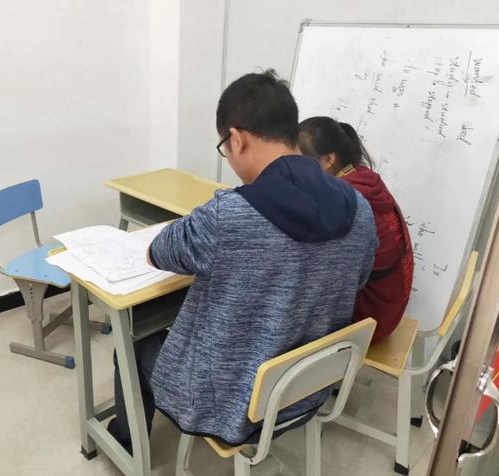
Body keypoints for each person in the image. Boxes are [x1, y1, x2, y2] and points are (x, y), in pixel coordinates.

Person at [108, 70, 378, 450]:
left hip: (229, 405)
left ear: (236, 139)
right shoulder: (360, 208)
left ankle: (125, 444)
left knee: (131, 346)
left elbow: (158, 251)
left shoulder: (228, 215)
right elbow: (359, 277)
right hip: (307, 389)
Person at [298, 117, 414, 343]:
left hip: (369, 322)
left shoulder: (344, 200)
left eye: (300, 163)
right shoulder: (364, 179)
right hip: (390, 307)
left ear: (329, 159)